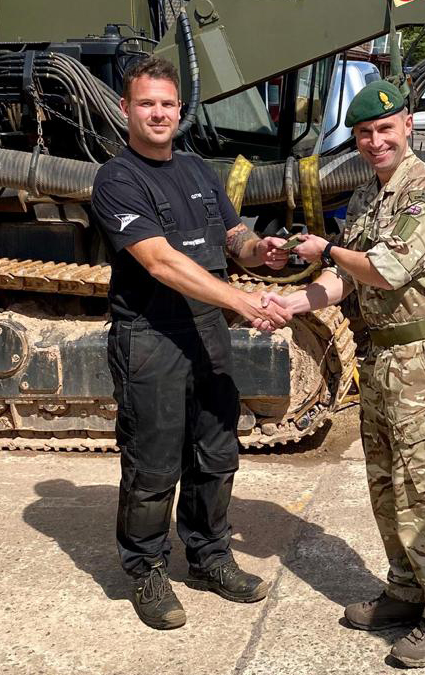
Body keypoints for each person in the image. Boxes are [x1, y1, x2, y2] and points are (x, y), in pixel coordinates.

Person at [258, 80, 425, 668]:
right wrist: (292, 305)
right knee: (386, 484)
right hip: (379, 358)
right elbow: (345, 280)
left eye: (385, 129)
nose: (376, 141)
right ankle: (406, 591)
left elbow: (383, 268)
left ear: (407, 126)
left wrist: (324, 250)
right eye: (364, 134)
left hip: (423, 362)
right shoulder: (366, 197)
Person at [90, 57, 292, 630]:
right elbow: (159, 261)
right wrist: (241, 302)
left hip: (207, 332)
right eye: (147, 103)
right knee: (153, 466)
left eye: (167, 104)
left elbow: (234, 238)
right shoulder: (118, 178)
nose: (158, 113)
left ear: (180, 110)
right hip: (151, 337)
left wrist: (262, 252)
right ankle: (147, 570)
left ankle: (208, 556)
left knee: (215, 453)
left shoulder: (198, 170)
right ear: (127, 110)